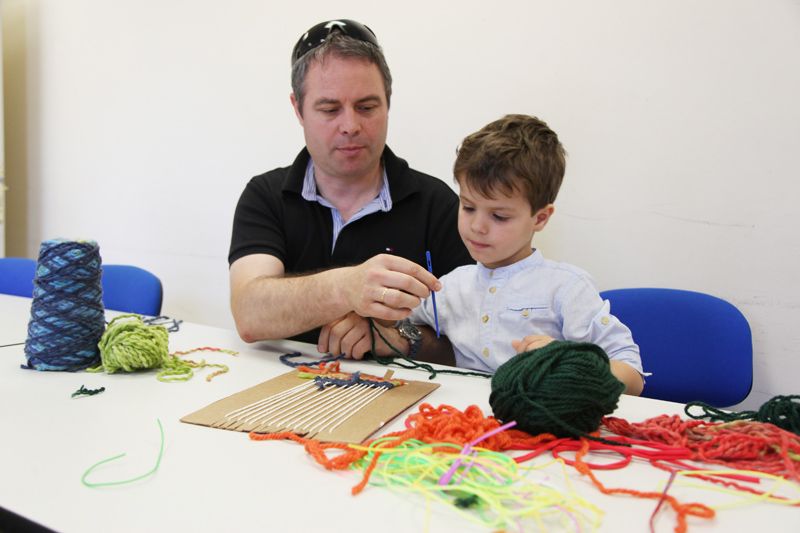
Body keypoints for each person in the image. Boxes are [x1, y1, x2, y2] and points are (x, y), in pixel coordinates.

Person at [228, 19, 473, 350]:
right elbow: (249, 315)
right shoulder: (266, 196)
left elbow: (473, 340)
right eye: (330, 109)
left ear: (388, 102)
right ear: (298, 109)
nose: (350, 126)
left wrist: (396, 339)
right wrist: (346, 287)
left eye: (366, 107)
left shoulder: (438, 205)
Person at [361, 114, 645, 395]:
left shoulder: (566, 288)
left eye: (499, 216)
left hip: (537, 419)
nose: (477, 226)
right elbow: (396, 323)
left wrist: (567, 363)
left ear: (540, 218)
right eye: (468, 207)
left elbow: (632, 374)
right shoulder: (451, 286)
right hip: (462, 416)